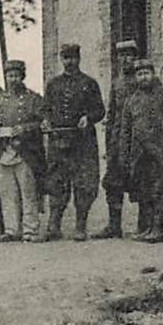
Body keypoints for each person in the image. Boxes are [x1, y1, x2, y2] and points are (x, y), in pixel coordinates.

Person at [111, 60, 163, 243]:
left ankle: (157, 229)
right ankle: (145, 228)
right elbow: (125, 131)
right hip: (139, 155)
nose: (143, 77)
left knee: (161, 192)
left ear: (153, 74)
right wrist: (124, 155)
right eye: (139, 74)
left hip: (161, 154)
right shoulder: (132, 101)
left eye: (146, 73)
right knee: (142, 191)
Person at [41, 42, 106, 241]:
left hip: (82, 143)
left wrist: (89, 117)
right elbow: (45, 108)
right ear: (62, 60)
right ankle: (54, 226)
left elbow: (100, 110)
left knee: (84, 184)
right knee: (57, 182)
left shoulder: (89, 83)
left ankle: (80, 226)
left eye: (73, 58)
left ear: (79, 59)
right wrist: (45, 121)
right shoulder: (53, 84)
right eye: (66, 58)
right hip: (58, 141)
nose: (69, 62)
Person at [0, 59, 46, 242]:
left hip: (25, 152)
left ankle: (30, 230)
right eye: (9, 76)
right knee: (7, 193)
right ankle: (11, 229)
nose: (13, 79)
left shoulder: (33, 98)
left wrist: (25, 128)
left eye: (16, 75)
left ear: (22, 76)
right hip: (4, 151)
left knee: (27, 192)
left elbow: (42, 122)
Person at [95, 39, 141, 239]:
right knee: (113, 183)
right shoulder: (117, 82)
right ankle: (114, 226)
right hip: (117, 140)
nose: (125, 59)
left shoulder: (141, 80)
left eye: (129, 55)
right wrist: (110, 143)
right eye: (122, 56)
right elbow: (112, 113)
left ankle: (144, 226)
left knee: (141, 181)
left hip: (137, 140)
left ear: (135, 57)